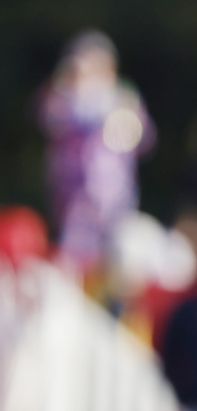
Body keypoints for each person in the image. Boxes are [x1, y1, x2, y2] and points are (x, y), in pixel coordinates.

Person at [37, 30, 156, 283]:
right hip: (72, 197)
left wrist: (120, 111)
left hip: (114, 198)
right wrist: (69, 88)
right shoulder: (61, 97)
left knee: (117, 261)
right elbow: (47, 119)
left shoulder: (124, 98)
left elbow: (143, 140)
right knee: (73, 261)